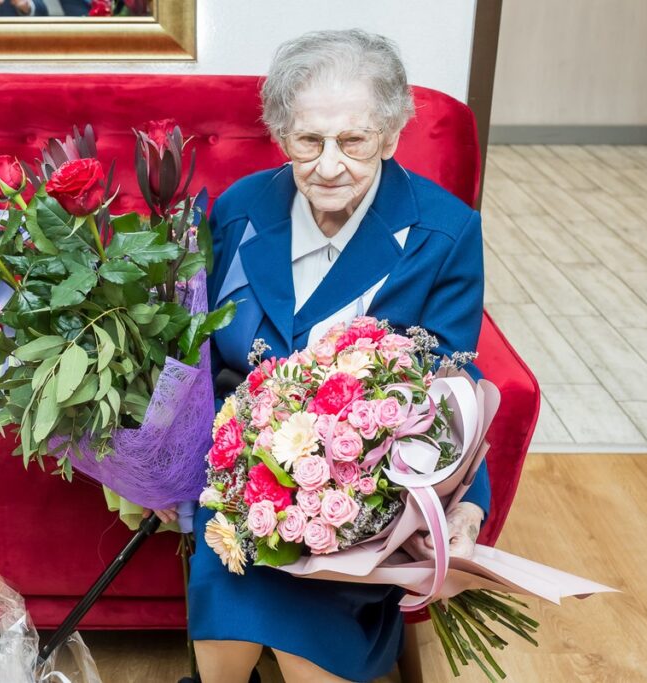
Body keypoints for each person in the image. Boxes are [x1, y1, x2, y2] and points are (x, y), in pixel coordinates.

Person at [154, 30, 493, 683]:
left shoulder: (446, 233)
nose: (329, 164)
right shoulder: (238, 210)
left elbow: (456, 379)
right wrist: (163, 450)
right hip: (240, 484)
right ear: (282, 137)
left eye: (354, 141)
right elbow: (190, 340)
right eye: (308, 141)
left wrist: (465, 503)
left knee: (313, 654)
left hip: (365, 498)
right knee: (223, 641)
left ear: (391, 137)